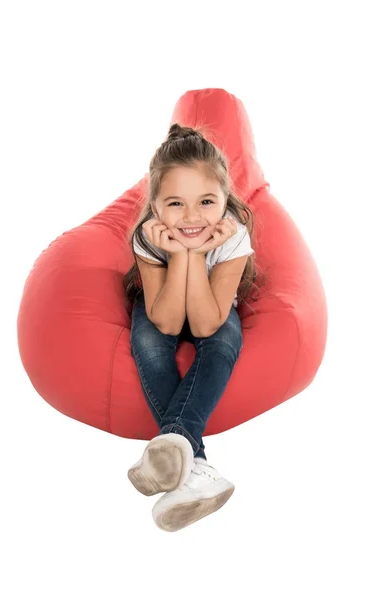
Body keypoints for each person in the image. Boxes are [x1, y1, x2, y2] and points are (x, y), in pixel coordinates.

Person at [122, 122, 257, 532]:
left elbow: (204, 324)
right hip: (160, 301)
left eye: (206, 201)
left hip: (210, 306)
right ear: (156, 207)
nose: (193, 216)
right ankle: (195, 466)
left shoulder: (234, 236)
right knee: (147, 342)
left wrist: (196, 254)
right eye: (176, 204)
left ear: (225, 199)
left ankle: (170, 456)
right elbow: (165, 320)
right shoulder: (149, 237)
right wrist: (179, 254)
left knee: (222, 342)